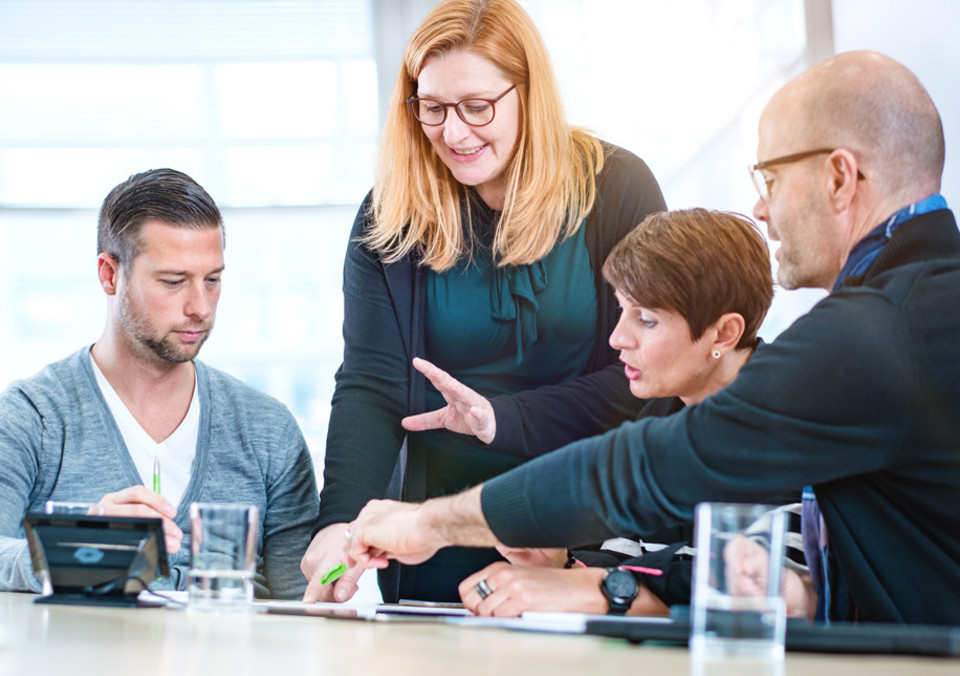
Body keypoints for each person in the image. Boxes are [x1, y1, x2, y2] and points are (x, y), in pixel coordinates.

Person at [340, 51, 960, 625]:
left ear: (839, 178)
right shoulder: (925, 310)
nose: (761, 208)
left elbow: (646, 466)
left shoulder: (873, 335)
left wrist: (435, 523)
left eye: (770, 178)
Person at [301, 0, 665, 603]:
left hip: (585, 535)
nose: (454, 132)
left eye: (477, 107)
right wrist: (338, 522)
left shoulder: (616, 188)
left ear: (530, 94)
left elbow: (650, 376)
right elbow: (371, 383)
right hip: (432, 539)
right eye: (433, 108)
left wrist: (503, 419)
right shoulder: (390, 214)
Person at [449, 208, 808, 617]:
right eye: (622, 310)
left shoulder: (795, 420)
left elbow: (754, 586)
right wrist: (562, 564)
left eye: (647, 320)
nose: (618, 338)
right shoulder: (660, 412)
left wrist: (600, 586)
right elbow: (628, 562)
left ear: (723, 334)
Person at [0, 169, 320, 599]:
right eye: (173, 282)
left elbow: (302, 605)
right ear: (109, 275)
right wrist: (73, 549)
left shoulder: (268, 431)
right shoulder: (31, 417)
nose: (201, 308)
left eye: (212, 280)